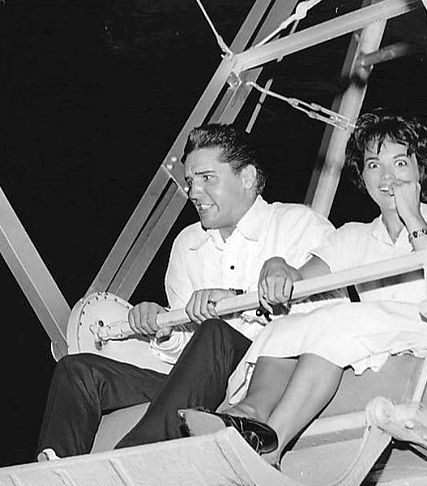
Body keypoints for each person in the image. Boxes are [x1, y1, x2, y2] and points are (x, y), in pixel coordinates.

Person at [36, 123, 336, 459]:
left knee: (216, 331)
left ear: (248, 178)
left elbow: (330, 313)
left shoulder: (298, 224)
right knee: (78, 372)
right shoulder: (187, 244)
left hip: (264, 370)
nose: (194, 192)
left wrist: (235, 300)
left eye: (208, 178)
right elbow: (184, 354)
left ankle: (139, 455)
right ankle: (55, 469)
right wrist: (162, 330)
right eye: (191, 181)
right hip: (198, 377)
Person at [179, 110, 427, 466]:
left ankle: (272, 450)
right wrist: (275, 266)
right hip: (381, 335)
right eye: (373, 165)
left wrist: (413, 216)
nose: (387, 177)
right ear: (363, 175)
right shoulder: (354, 235)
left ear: (420, 168)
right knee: (287, 324)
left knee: (338, 318)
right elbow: (300, 280)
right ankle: (249, 413)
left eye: (400, 163)